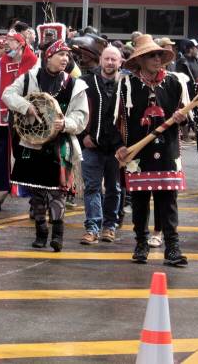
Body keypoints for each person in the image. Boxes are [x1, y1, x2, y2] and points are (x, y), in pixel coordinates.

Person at [1, 40, 86, 251]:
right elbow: (8, 95)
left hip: (60, 144)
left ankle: (58, 234)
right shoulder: (30, 77)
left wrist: (65, 123)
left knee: (59, 192)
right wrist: (26, 106)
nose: (65, 59)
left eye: (68, 56)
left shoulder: (74, 84)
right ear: (48, 56)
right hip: (32, 143)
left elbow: (81, 115)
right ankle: (41, 231)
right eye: (61, 54)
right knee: (37, 192)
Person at [115, 34, 190, 267]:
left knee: (168, 200)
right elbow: (118, 119)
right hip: (138, 151)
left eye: (159, 55)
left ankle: (173, 247)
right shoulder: (127, 84)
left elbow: (187, 119)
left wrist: (181, 118)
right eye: (151, 55)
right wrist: (120, 145)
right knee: (139, 201)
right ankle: (140, 244)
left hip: (168, 149)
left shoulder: (175, 82)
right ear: (140, 60)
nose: (157, 59)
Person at [0, 30, 39, 212]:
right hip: (3, 116)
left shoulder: (34, 63)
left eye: (10, 42)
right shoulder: (2, 63)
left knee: (29, 157)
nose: (7, 46)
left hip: (28, 117)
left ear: (21, 44)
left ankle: (36, 200)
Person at [79, 45, 124, 245]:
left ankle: (109, 227)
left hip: (117, 148)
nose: (110, 63)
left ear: (120, 62)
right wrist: (83, 136)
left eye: (114, 59)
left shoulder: (127, 84)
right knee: (92, 187)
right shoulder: (85, 82)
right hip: (91, 145)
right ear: (100, 60)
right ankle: (92, 228)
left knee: (115, 188)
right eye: (107, 58)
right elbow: (76, 111)